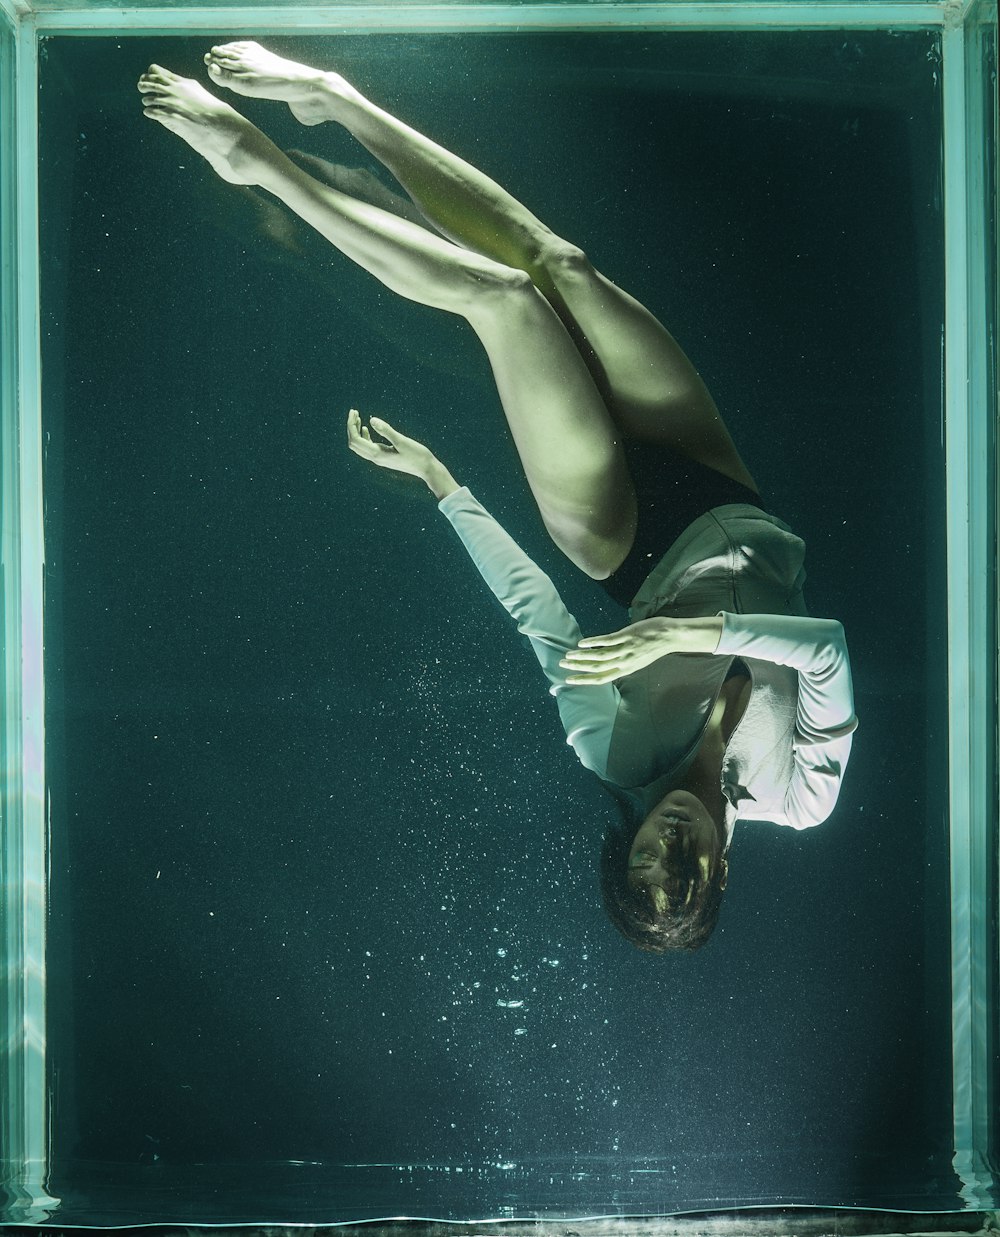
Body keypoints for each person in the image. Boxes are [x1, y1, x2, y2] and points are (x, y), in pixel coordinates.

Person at [138, 43, 857, 952]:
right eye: (682, 866)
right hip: (727, 489)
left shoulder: (614, 753)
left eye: (643, 858)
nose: (666, 843)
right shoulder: (802, 794)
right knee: (567, 265)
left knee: (508, 301)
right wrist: (691, 636)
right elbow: (826, 654)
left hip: (622, 537)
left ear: (626, 844)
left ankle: (259, 164)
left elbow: (542, 622)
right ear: (719, 871)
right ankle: (335, 100)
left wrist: (442, 486)